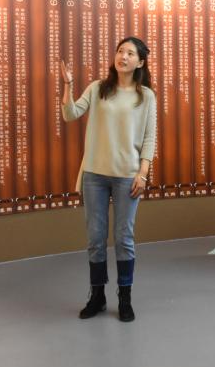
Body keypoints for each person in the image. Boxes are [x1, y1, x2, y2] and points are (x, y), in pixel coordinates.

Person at [60, 36, 156, 323]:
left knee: (124, 238)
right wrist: (68, 85)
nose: (122, 56)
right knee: (95, 238)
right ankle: (97, 296)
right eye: (120, 51)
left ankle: (124, 297)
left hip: (128, 176)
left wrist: (143, 173)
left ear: (140, 62)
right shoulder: (98, 88)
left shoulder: (146, 96)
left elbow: (149, 138)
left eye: (130, 53)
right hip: (94, 175)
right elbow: (70, 114)